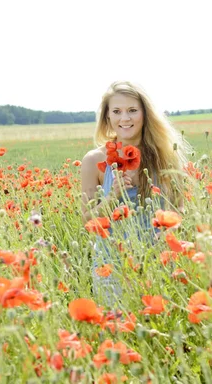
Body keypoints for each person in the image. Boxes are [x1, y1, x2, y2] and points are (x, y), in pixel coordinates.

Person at [80, 81, 190, 308]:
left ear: (144, 114)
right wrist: (112, 198)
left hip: (160, 261)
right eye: (117, 111)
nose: (125, 119)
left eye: (132, 110)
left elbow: (181, 208)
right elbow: (88, 219)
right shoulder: (94, 161)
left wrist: (172, 234)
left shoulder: (166, 156)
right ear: (107, 118)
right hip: (112, 267)